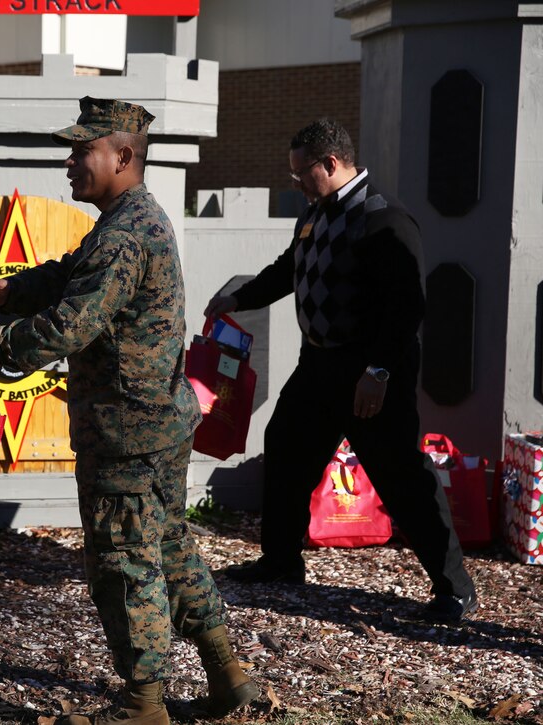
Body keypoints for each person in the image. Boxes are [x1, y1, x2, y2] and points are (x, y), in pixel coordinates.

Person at [0, 96, 259, 724]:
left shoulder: (125, 234)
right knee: (172, 546)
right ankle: (227, 671)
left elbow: (66, 328)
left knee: (124, 563)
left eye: (82, 150)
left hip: (126, 432)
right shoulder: (131, 221)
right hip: (158, 422)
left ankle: (143, 706)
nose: (70, 162)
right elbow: (73, 274)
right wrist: (12, 289)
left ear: (123, 156)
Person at [203, 118, 478, 625]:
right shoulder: (314, 213)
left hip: (370, 369)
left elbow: (406, 309)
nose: (296, 183)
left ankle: (454, 587)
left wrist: (377, 372)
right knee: (286, 445)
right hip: (319, 364)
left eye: (301, 172)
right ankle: (281, 561)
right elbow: (291, 268)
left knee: (399, 475)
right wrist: (238, 298)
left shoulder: (384, 219)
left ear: (330, 163)